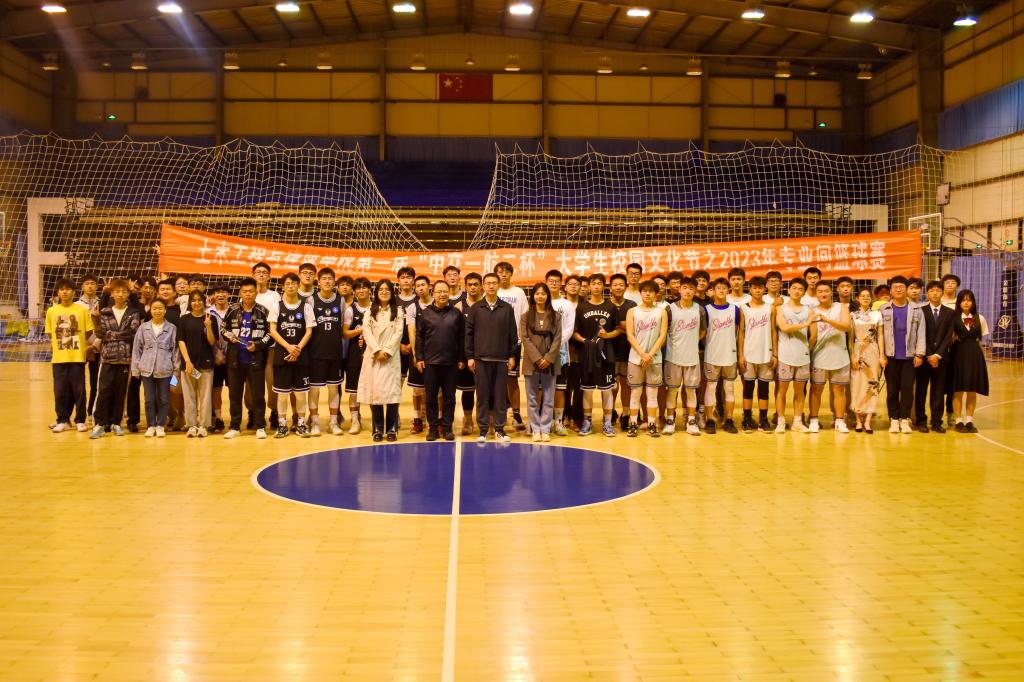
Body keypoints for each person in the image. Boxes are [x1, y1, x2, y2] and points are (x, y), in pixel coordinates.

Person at [466, 272, 519, 443]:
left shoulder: (507, 308)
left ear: (498, 285)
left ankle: (499, 430)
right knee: (482, 396)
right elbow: (469, 334)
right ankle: (483, 430)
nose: (491, 286)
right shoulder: (475, 308)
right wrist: (470, 356)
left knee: (500, 397)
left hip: (501, 360)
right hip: (480, 360)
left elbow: (513, 334)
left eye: (494, 283)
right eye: (487, 283)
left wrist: (512, 355)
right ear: (483, 286)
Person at [90, 279, 142, 438]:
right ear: (111, 294)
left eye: (124, 291)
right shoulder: (104, 312)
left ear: (128, 294)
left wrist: (111, 335)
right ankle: (99, 424)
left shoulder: (133, 313)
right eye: (117, 291)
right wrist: (97, 321)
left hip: (125, 359)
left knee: (120, 393)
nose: (120, 294)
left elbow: (133, 333)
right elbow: (100, 334)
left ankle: (116, 423)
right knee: (103, 391)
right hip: (107, 359)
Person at [572, 273, 621, 437]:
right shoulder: (581, 307)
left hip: (606, 354)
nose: (596, 286)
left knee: (607, 390)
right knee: (587, 390)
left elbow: (619, 330)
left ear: (603, 286)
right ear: (589, 286)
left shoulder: (611, 307)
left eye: (599, 283)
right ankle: (587, 421)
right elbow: (574, 332)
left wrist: (607, 335)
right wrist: (585, 341)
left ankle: (607, 422)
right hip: (587, 355)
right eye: (593, 283)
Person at [416, 280, 465, 441]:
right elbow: (419, 337)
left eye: (445, 291)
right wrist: (419, 357)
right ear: (433, 293)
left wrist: (461, 358)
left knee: (450, 398)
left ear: (449, 293)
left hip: (451, 363)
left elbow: (462, 337)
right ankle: (432, 429)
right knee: (430, 398)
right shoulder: (425, 313)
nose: (442, 294)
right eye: (439, 291)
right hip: (430, 363)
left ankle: (447, 428)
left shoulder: (456, 313)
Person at [221, 278, 270, 439]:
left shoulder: (263, 311)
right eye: (244, 291)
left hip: (256, 360)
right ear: (240, 293)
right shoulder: (232, 309)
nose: (248, 294)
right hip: (235, 360)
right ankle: (235, 427)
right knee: (234, 395)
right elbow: (223, 329)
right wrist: (229, 336)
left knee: (258, 395)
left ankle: (260, 426)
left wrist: (258, 345)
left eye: (251, 291)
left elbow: (271, 334)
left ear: (256, 292)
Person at [268, 272, 315, 438]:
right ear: (283, 286)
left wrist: (298, 349)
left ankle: (301, 424)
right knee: (282, 393)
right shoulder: (277, 306)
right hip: (282, 355)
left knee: (301, 393)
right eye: (287, 283)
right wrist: (288, 346)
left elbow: (309, 331)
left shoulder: (306, 307)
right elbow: (272, 330)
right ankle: (282, 424)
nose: (290, 286)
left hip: (301, 356)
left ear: (298, 285)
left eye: (293, 283)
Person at [358, 279, 405, 441]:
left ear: (392, 292)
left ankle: (392, 429)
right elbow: (366, 332)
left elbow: (399, 333)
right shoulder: (369, 312)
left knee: (392, 394)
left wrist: (387, 351)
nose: (384, 292)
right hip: (373, 356)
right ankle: (377, 429)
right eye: (381, 289)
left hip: (390, 357)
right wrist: (377, 350)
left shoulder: (398, 311)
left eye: (387, 289)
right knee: (375, 393)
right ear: (376, 292)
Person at [46, 278, 95, 433]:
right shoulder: (51, 311)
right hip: (59, 359)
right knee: (60, 391)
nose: (64, 292)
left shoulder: (82, 310)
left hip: (77, 358)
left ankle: (80, 420)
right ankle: (62, 420)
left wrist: (76, 342)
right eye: (61, 289)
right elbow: (50, 333)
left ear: (74, 292)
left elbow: (88, 332)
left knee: (79, 390)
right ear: (58, 292)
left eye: (67, 289)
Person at [879, 276, 925, 434]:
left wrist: (919, 354)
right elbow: (879, 334)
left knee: (907, 389)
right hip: (890, 356)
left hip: (909, 357)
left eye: (901, 287)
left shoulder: (917, 309)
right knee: (892, 390)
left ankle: (904, 419)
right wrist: (881, 355)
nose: (898, 289)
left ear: (906, 290)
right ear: (890, 291)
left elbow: (921, 332)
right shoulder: (883, 309)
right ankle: (893, 419)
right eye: (895, 287)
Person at [131, 299, 180, 438]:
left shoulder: (172, 328)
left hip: (166, 370)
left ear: (165, 310)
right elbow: (137, 349)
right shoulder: (143, 328)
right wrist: (135, 369)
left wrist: (176, 372)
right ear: (150, 310)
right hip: (147, 370)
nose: (157, 311)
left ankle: (160, 425)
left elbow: (176, 351)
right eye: (154, 308)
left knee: (164, 399)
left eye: (160, 308)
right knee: (149, 400)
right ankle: (151, 425)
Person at [624, 280, 668, 437]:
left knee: (652, 393)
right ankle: (633, 424)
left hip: (654, 359)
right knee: (636, 392)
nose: (648, 294)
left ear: (656, 294)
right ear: (640, 293)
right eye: (645, 291)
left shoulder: (661, 312)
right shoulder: (632, 311)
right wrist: (642, 354)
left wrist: (650, 355)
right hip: (635, 358)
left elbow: (662, 336)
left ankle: (652, 424)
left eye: (651, 291)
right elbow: (630, 335)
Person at [663, 277, 705, 436]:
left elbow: (703, 331)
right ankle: (670, 420)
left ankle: (691, 421)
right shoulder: (669, 309)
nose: (688, 291)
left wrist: (691, 342)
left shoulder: (699, 309)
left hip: (692, 357)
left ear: (695, 291)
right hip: (673, 357)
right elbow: (664, 331)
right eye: (685, 288)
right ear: (679, 289)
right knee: (672, 390)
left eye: (691, 288)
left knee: (691, 391)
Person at [521, 282, 562, 442]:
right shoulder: (526, 316)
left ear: (547, 296)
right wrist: (538, 358)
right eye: (537, 293)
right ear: (533, 296)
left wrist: (548, 358)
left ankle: (545, 429)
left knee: (549, 398)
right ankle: (535, 428)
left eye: (543, 294)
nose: (540, 296)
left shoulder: (556, 316)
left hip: (550, 362)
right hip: (531, 362)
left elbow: (558, 339)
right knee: (531, 398)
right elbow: (525, 339)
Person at [808, 281, 851, 433]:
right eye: (820, 291)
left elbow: (846, 327)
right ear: (816, 294)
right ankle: (814, 419)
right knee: (816, 389)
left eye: (826, 291)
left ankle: (839, 421)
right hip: (819, 355)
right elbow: (812, 337)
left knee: (839, 389)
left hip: (840, 355)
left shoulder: (842, 307)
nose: (823, 294)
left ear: (831, 292)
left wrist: (827, 320)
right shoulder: (812, 311)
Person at [703, 278, 743, 434]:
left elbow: (737, 332)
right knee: (711, 387)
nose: (721, 290)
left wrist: (738, 353)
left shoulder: (735, 310)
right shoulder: (706, 310)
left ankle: (729, 419)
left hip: (730, 355)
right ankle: (710, 420)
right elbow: (703, 332)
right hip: (712, 354)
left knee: (729, 388)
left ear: (728, 290)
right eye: (718, 288)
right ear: (712, 291)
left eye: (724, 288)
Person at [915, 281, 956, 433]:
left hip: (941, 359)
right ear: (927, 293)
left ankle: (937, 421)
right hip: (924, 358)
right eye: (932, 290)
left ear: (942, 293)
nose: (935, 293)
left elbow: (949, 336)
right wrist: (928, 354)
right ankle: (921, 420)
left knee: (938, 391)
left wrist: (937, 355)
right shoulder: (921, 311)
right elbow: (919, 334)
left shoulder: (950, 313)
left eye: (938, 290)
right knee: (921, 391)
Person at [775, 278, 816, 433]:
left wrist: (805, 348)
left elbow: (813, 336)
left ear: (804, 292)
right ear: (789, 290)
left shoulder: (809, 311)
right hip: (785, 356)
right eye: (794, 288)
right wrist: (805, 324)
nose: (797, 291)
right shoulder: (780, 309)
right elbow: (784, 327)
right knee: (782, 390)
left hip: (802, 357)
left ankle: (797, 421)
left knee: (799, 391)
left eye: (800, 289)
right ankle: (780, 421)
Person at [307, 267, 345, 436]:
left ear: (334, 282)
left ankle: (333, 422)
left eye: (330, 278)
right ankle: (315, 422)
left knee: (334, 390)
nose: (327, 281)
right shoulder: (311, 300)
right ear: (318, 282)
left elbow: (342, 326)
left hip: (335, 353)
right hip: (316, 354)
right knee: (314, 390)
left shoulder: (340, 300)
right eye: (324, 279)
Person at [177, 291, 218, 437]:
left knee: (205, 396)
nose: (196, 303)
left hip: (205, 363)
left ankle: (204, 425)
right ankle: (191, 425)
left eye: (199, 300)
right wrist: (187, 361)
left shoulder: (210, 318)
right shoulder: (184, 319)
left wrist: (208, 326)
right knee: (189, 395)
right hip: (189, 365)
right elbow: (181, 341)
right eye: (193, 300)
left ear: (204, 302)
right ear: (190, 303)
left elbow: (212, 341)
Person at [495, 261, 529, 432]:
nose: (504, 274)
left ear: (511, 274)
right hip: (494, 343)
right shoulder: (493, 291)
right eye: (500, 272)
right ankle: (498, 413)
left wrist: (521, 339)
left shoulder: (519, 293)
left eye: (507, 271)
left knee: (512, 379)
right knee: (495, 380)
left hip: (512, 343)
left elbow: (524, 317)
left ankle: (516, 413)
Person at [739, 276, 775, 432]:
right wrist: (741, 355)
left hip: (766, 354)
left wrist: (775, 354)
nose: (757, 290)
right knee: (748, 388)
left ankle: (763, 419)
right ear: (750, 289)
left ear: (764, 289)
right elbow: (741, 332)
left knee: (764, 389)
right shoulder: (744, 308)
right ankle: (747, 419)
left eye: (760, 288)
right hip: (749, 354)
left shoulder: (770, 308)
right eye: (755, 288)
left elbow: (773, 331)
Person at [950, 290, 989, 433]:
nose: (966, 302)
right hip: (958, 354)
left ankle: (969, 421)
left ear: (973, 302)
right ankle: (958, 421)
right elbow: (950, 337)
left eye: (969, 300)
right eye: (963, 300)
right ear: (959, 302)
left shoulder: (980, 318)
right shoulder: (953, 318)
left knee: (972, 389)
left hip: (975, 355)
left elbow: (980, 340)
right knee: (958, 389)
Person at [850, 287, 883, 433]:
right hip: (858, 351)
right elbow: (851, 338)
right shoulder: (853, 315)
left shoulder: (877, 315)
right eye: (862, 296)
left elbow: (880, 335)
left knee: (872, 384)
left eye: (868, 296)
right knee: (856, 384)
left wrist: (882, 355)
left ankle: (868, 421)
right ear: (857, 298)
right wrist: (852, 355)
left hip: (873, 350)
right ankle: (858, 420)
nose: (865, 298)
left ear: (871, 299)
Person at [252, 262, 281, 429]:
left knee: (271, 380)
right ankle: (253, 413)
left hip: (271, 345)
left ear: (269, 276)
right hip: (252, 346)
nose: (261, 274)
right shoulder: (247, 294)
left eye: (264, 272)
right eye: (258, 272)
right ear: (253, 275)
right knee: (252, 382)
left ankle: (274, 411)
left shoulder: (275, 296)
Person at [342, 277, 372, 435]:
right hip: (354, 353)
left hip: (373, 352)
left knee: (374, 388)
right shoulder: (350, 310)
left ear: (370, 290)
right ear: (354, 291)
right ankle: (354, 420)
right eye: (358, 288)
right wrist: (362, 329)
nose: (361, 290)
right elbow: (345, 333)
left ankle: (376, 420)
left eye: (364, 287)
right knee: (353, 389)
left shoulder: (376, 308)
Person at [455, 273, 483, 435]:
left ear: (481, 286)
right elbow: (457, 334)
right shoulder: (459, 306)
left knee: (486, 390)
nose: (473, 287)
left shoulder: (487, 304)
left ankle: (486, 420)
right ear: (465, 287)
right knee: (468, 389)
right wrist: (460, 356)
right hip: (467, 355)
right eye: (470, 284)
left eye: (476, 284)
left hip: (485, 353)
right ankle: (468, 420)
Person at [608, 273, 637, 430]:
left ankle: (626, 414)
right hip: (609, 352)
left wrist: (620, 326)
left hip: (628, 351)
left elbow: (635, 327)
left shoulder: (632, 305)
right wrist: (623, 325)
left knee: (627, 385)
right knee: (611, 386)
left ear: (625, 287)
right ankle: (610, 412)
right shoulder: (605, 305)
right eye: (615, 285)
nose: (618, 287)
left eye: (621, 285)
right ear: (610, 287)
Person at [405, 274, 433, 434]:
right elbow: (412, 331)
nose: (421, 288)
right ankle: (417, 419)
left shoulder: (437, 303)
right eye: (418, 286)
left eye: (423, 285)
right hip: (419, 353)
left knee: (435, 390)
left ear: (429, 287)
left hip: (435, 353)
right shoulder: (412, 308)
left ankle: (431, 418)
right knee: (417, 390)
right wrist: (416, 355)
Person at [76, 273, 101, 424]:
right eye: (87, 284)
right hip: (81, 349)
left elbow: (104, 327)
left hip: (98, 349)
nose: (90, 286)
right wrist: (85, 346)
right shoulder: (76, 306)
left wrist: (95, 345)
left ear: (96, 286)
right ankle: (77, 417)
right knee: (77, 385)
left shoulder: (103, 303)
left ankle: (92, 411)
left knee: (95, 383)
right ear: (82, 286)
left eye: (92, 283)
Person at [560, 273, 584, 432]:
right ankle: (564, 416)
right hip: (563, 350)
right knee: (564, 387)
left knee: (579, 387)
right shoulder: (560, 304)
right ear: (565, 287)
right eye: (570, 284)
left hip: (581, 351)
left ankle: (577, 418)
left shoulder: (585, 305)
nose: (573, 286)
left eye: (576, 284)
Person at [206, 285, 231, 433]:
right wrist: (216, 354)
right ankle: (218, 418)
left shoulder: (235, 310)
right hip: (214, 357)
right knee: (215, 389)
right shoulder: (207, 312)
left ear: (229, 294)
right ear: (213, 295)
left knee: (234, 389)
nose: (220, 295)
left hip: (232, 357)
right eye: (217, 292)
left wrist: (228, 354)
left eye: (223, 292)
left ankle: (235, 418)